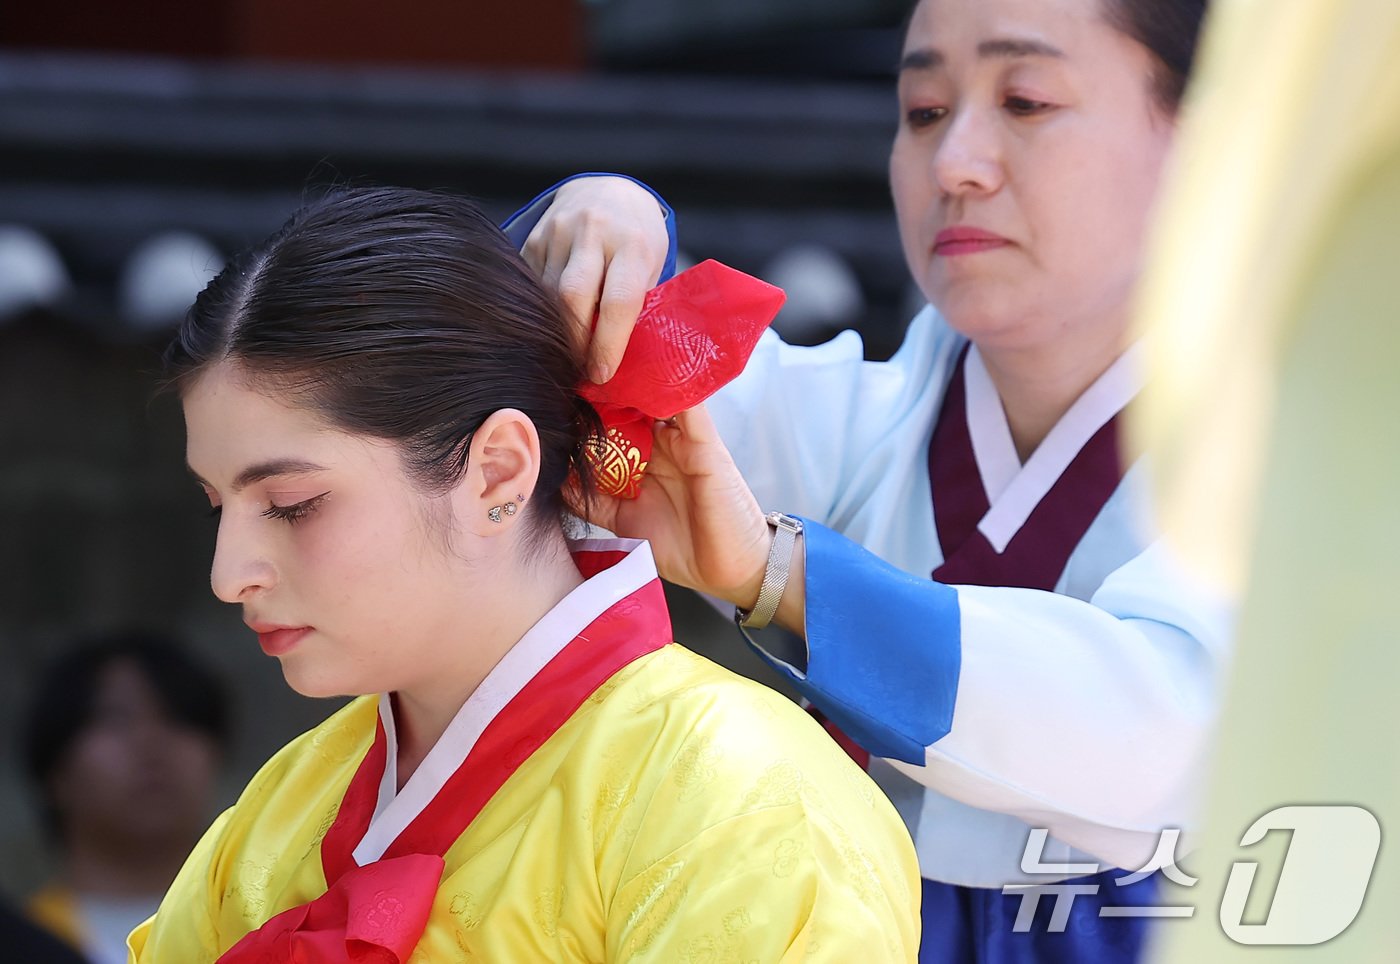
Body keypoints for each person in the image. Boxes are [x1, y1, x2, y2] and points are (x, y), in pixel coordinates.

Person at [506, 0, 1232, 959]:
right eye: (924, 110)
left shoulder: (1295, 457)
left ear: (1210, 138)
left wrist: (786, 578)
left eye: (1024, 99)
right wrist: (610, 230)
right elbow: (633, 387)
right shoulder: (856, 423)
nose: (956, 162)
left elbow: (1166, 732)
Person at [129, 187, 921, 962]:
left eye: (293, 504)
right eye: (215, 507)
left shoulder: (750, 802)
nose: (229, 575)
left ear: (498, 473)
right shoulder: (276, 818)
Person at [23, 632, 227, 964]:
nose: (152, 745)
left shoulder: (272, 928)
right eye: (116, 719)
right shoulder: (19, 944)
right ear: (55, 773)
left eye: (179, 718)